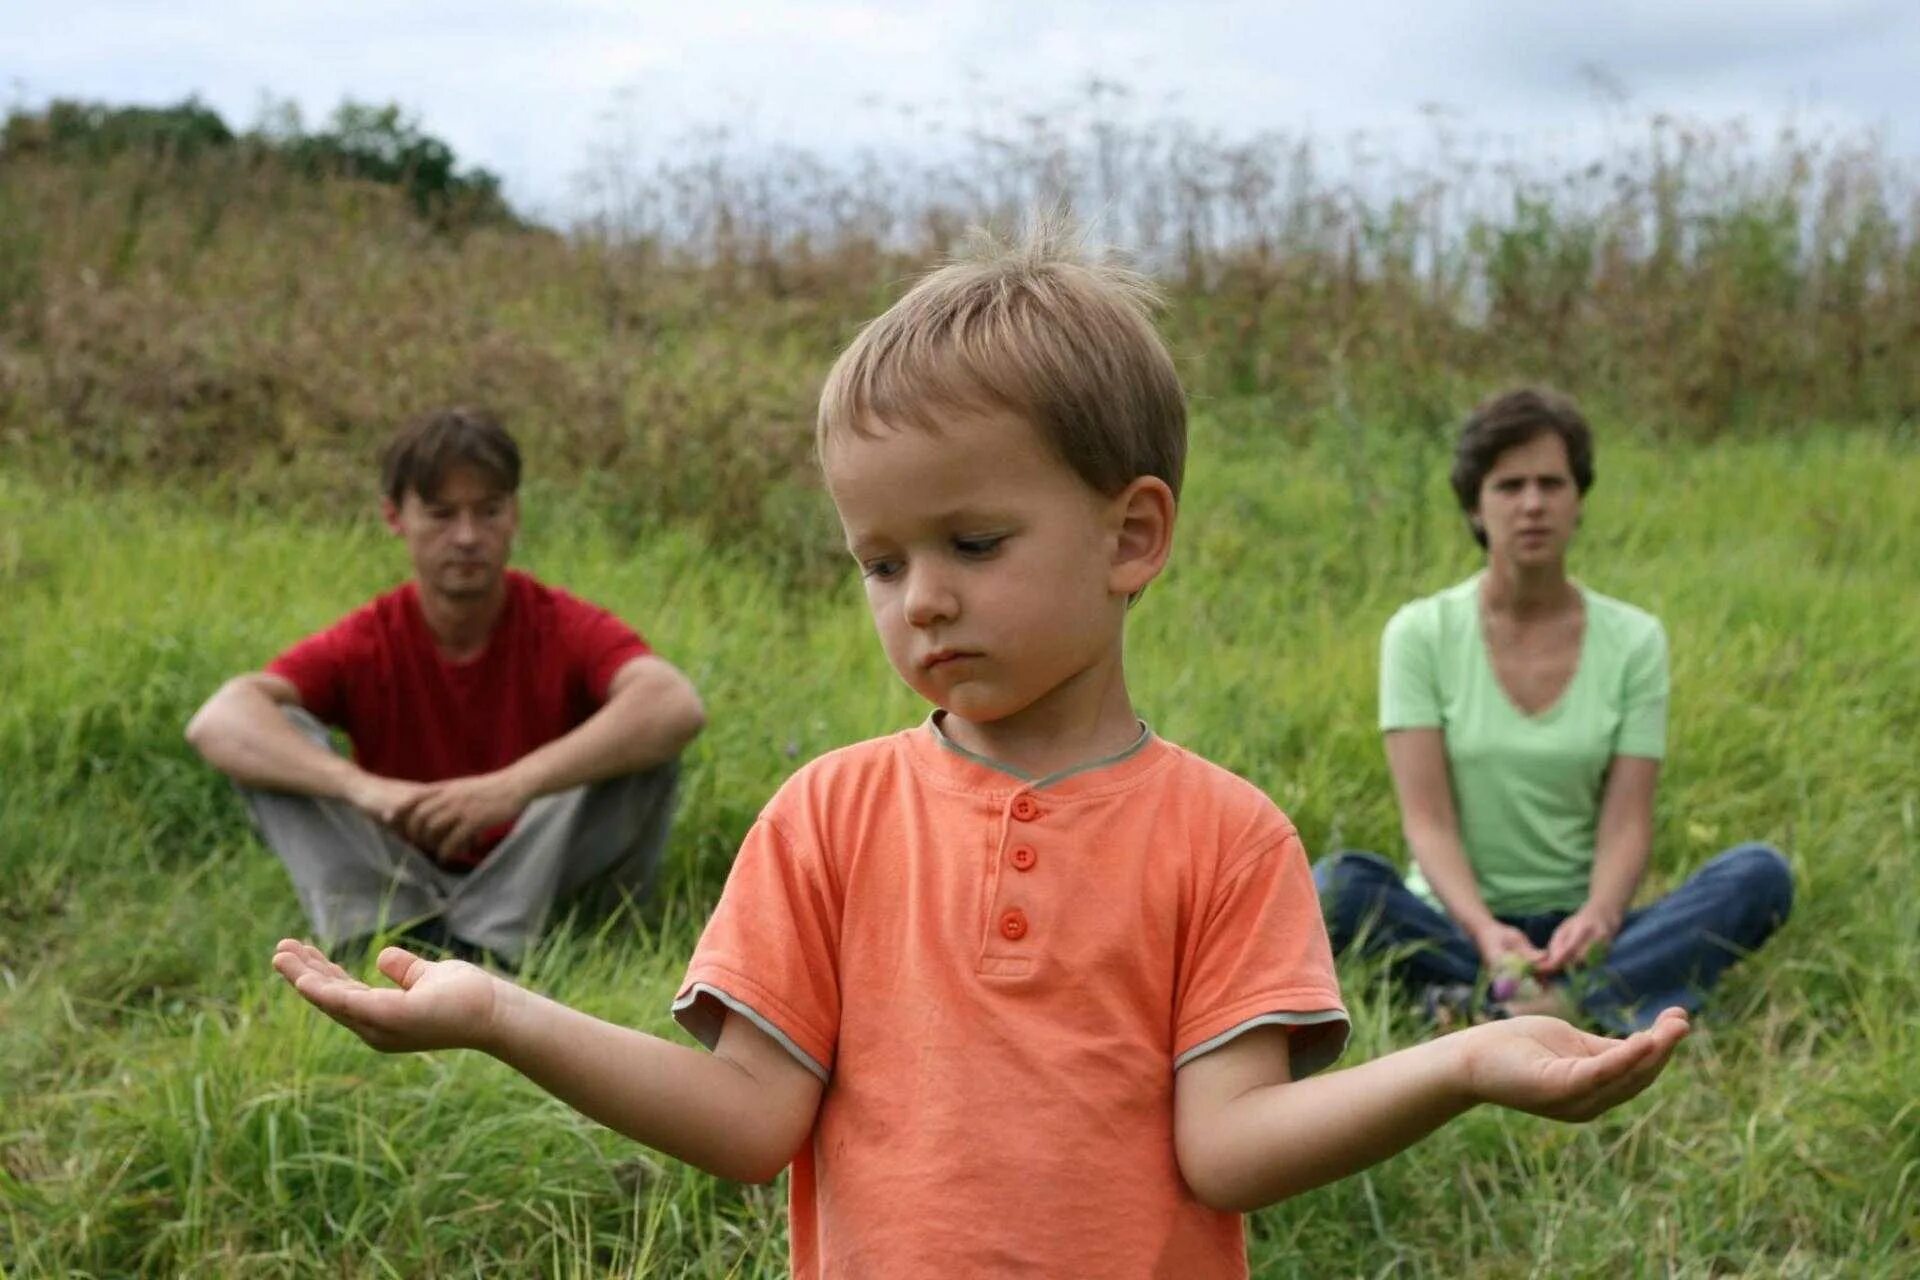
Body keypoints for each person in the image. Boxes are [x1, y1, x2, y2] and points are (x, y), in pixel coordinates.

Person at [270, 231, 1690, 1279]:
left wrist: (1464, 1066)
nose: (922, 599)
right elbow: (750, 1119)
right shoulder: (830, 815)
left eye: (973, 543)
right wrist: (500, 1017)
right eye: (878, 562)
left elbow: (1227, 1152)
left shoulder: (1225, 834)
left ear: (1132, 535)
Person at [1315, 387, 1793, 1032]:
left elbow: (1627, 823)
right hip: (1458, 919)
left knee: (1760, 875)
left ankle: (1512, 1001)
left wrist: (1598, 917)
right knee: (1336, 886)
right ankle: (1568, 996)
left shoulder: (1634, 640)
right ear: (1476, 507)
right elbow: (1426, 823)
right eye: (1510, 486)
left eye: (1552, 483)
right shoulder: (1419, 634)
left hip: (1580, 928)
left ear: (1578, 501)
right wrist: (1485, 930)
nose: (1533, 504)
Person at [189, 407, 705, 967]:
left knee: (642, 741)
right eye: (441, 514)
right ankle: (394, 930)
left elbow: (673, 702)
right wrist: (365, 788)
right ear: (395, 518)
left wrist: (510, 787)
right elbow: (218, 720)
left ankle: (500, 942)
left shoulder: (560, 623)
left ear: (515, 516)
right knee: (275, 731)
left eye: (488, 512)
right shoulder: (371, 638)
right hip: (401, 869)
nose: (467, 537)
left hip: (535, 875)